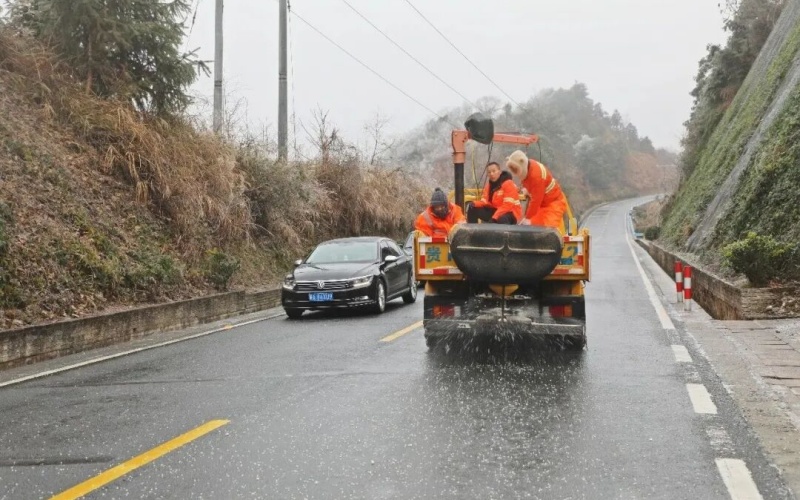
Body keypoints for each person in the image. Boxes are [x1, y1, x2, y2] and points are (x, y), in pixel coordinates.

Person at [505, 150, 568, 231]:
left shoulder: (537, 177)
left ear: (522, 163)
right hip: (541, 204)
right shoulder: (528, 167)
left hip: (553, 202)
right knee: (533, 228)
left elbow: (536, 201)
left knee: (549, 231)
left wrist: (528, 218)